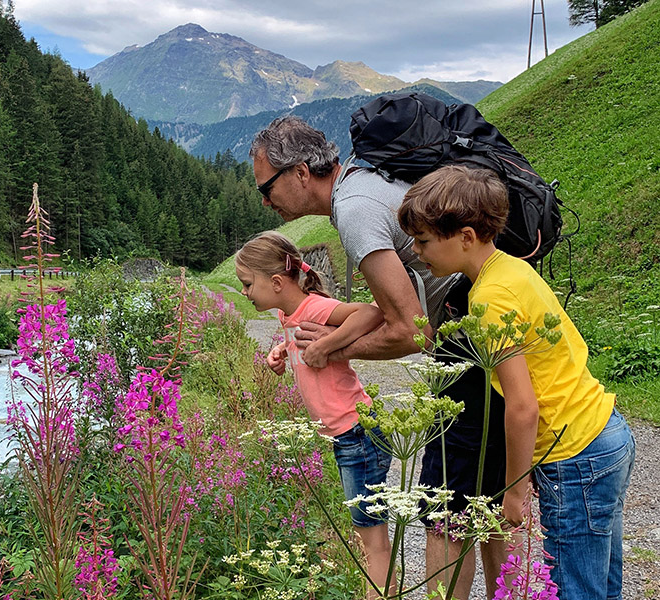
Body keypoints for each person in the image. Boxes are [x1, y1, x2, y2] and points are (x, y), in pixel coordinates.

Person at [250, 116, 508, 599]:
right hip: (490, 331)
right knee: (484, 503)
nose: (266, 201)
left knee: (445, 505)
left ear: (302, 173)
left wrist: (326, 349)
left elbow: (413, 332)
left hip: (468, 342)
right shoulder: (365, 179)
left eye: (268, 187)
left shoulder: (352, 209)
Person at [397, 164, 636, 600]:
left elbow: (522, 406)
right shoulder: (512, 268)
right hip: (604, 431)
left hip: (572, 453)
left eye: (424, 240)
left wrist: (513, 492)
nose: (415, 251)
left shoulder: (489, 296)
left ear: (466, 236)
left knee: (575, 590)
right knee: (602, 581)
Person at [235, 230, 393, 597]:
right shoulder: (287, 312)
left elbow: (370, 312)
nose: (244, 292)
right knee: (366, 532)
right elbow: (299, 340)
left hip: (358, 434)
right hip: (346, 436)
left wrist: (328, 345)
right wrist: (280, 352)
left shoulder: (317, 307)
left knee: (374, 542)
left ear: (276, 282)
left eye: (246, 284)